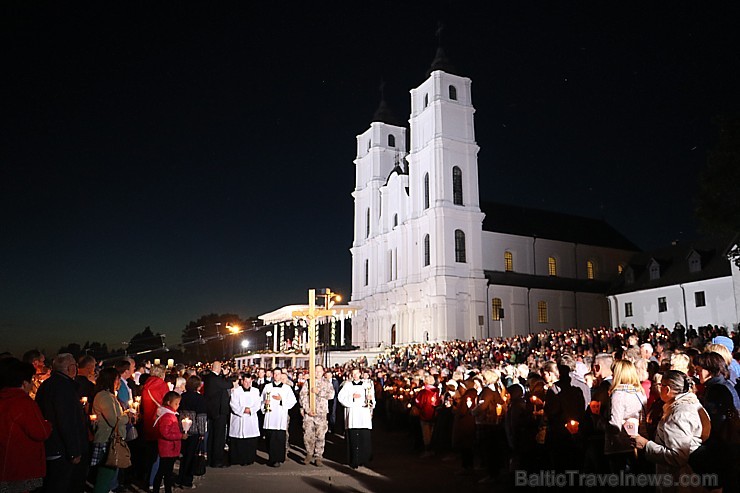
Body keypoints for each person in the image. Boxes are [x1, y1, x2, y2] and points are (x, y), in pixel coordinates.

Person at [633, 371, 708, 493]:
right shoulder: (689, 404)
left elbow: (678, 456)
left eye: (660, 385)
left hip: (679, 481)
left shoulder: (680, 413)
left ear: (667, 389)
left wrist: (646, 445)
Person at [35, 353, 89, 493]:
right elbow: (67, 421)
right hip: (62, 450)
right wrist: (74, 451)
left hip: (51, 446)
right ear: (71, 368)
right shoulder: (64, 388)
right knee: (63, 485)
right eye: (75, 366)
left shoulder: (47, 385)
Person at [0, 359, 53, 493]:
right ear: (24, 383)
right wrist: (48, 424)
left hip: (5, 463)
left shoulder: (3, 398)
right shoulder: (24, 403)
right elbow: (40, 432)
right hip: (20, 465)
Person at [90, 367, 129, 493]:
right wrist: (127, 416)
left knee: (107, 476)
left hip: (110, 439)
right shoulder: (104, 397)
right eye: (117, 379)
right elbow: (114, 420)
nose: (119, 383)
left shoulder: (109, 396)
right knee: (104, 476)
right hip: (106, 441)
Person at [605, 360, 646, 473]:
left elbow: (615, 423)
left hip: (619, 447)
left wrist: (603, 425)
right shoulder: (639, 392)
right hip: (637, 442)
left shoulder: (618, 394)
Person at [337, 368, 374, 470]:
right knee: (353, 437)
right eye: (353, 374)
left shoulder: (367, 384)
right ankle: (354, 460)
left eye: (357, 373)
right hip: (353, 413)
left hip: (363, 413)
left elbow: (372, 399)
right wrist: (351, 396)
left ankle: (364, 459)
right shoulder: (347, 385)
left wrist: (371, 401)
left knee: (364, 437)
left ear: (360, 374)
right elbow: (341, 398)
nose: (355, 375)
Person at [299, 365, 335, 466]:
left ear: (323, 372)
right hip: (310, 413)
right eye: (316, 371)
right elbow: (302, 396)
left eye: (319, 371)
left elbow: (331, 395)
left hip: (321, 413)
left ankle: (318, 455)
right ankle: (309, 453)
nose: (318, 373)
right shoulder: (309, 382)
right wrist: (307, 409)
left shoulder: (327, 383)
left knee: (320, 435)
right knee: (308, 434)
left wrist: (319, 392)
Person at [152, 392, 188, 493]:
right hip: (167, 448)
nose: (178, 406)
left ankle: (161, 489)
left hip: (171, 448)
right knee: (165, 472)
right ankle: (162, 490)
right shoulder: (167, 416)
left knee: (165, 471)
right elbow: (165, 433)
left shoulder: (170, 415)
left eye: (179, 403)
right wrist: (180, 436)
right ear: (169, 403)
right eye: (176, 403)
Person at [261, 368, 297, 467]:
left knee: (279, 439)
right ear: (273, 375)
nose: (277, 376)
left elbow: (293, 401)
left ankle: (278, 459)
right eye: (275, 374)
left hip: (280, 417)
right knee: (270, 438)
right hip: (270, 416)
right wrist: (265, 403)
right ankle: (271, 458)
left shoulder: (287, 388)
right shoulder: (267, 387)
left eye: (278, 374)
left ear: (281, 375)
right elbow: (261, 399)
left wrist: (282, 400)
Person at [141, 364, 168, 489]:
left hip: (147, 422)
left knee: (149, 453)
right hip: (158, 421)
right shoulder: (162, 385)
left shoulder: (146, 386)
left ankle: (147, 478)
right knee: (158, 454)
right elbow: (167, 403)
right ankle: (154, 480)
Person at [177, 376, 207, 489]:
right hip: (194, 430)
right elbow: (201, 417)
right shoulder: (200, 399)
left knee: (183, 455)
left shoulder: (183, 397)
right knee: (191, 456)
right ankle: (187, 479)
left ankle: (180, 476)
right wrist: (202, 432)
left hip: (182, 429)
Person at [203, 361, 231, 468]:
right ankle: (217, 460)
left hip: (212, 412)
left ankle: (211, 458)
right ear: (218, 368)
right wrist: (226, 375)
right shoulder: (216, 379)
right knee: (218, 438)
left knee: (212, 436)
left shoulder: (209, 378)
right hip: (218, 412)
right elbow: (229, 384)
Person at [229, 373, 261, 466]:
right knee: (239, 440)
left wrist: (250, 410)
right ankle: (237, 459)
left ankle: (249, 459)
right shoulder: (236, 391)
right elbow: (233, 404)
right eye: (245, 382)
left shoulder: (255, 391)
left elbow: (258, 404)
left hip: (251, 418)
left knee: (250, 440)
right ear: (242, 381)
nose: (247, 384)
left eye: (249, 381)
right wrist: (243, 410)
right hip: (239, 418)